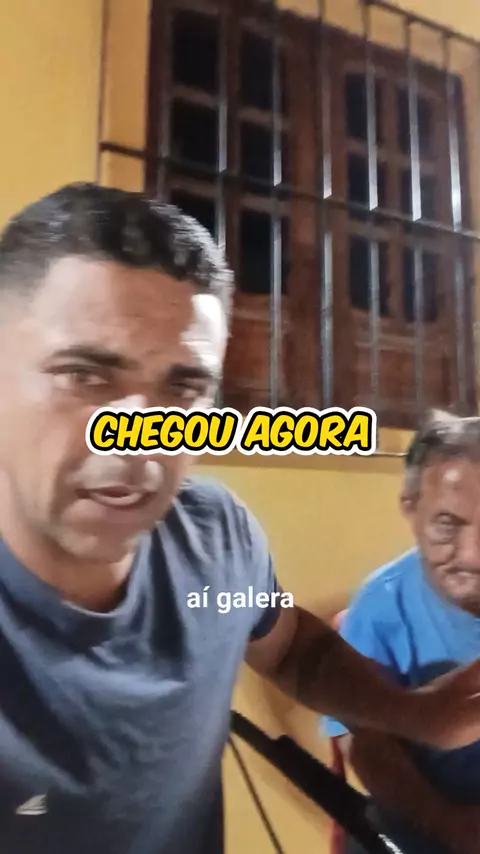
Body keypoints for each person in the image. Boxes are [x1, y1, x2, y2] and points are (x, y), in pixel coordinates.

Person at [0, 185, 479, 854]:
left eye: (182, 388)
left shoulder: (216, 544)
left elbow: (289, 648)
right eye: (85, 375)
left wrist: (416, 713)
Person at [324, 410, 480, 854]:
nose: (473, 556)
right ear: (410, 507)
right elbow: (367, 746)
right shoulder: (381, 606)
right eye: (447, 526)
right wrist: (451, 827)